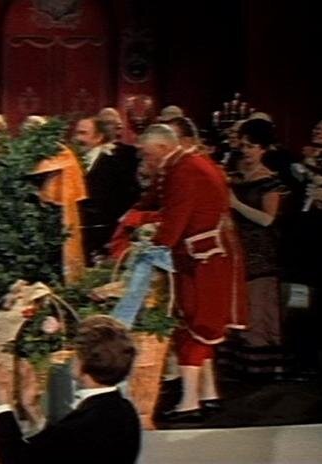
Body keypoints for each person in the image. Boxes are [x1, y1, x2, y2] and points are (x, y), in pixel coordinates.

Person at [136, 124, 246, 422]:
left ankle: (189, 403)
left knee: (194, 326)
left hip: (202, 259)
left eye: (147, 154)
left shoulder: (184, 169)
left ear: (162, 148)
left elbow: (176, 220)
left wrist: (148, 247)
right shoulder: (189, 163)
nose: (146, 161)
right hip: (207, 255)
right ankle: (208, 394)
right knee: (201, 327)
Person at [0, 315, 141, 464]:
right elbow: (61, 449)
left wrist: (1, 394)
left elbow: (15, 459)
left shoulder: (88, 421)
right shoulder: (123, 410)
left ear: (83, 363)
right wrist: (32, 408)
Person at [228, 125, 285, 377]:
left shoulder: (270, 181)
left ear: (263, 149)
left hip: (260, 250)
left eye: (251, 146)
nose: (246, 151)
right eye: (243, 145)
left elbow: (267, 219)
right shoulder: (235, 175)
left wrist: (235, 204)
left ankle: (262, 366)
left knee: (258, 304)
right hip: (235, 246)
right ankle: (236, 363)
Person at [74, 117, 140, 263]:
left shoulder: (117, 162)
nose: (78, 138)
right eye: (77, 133)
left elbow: (129, 197)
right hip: (79, 236)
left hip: (106, 238)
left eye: (83, 133)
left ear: (98, 137)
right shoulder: (71, 161)